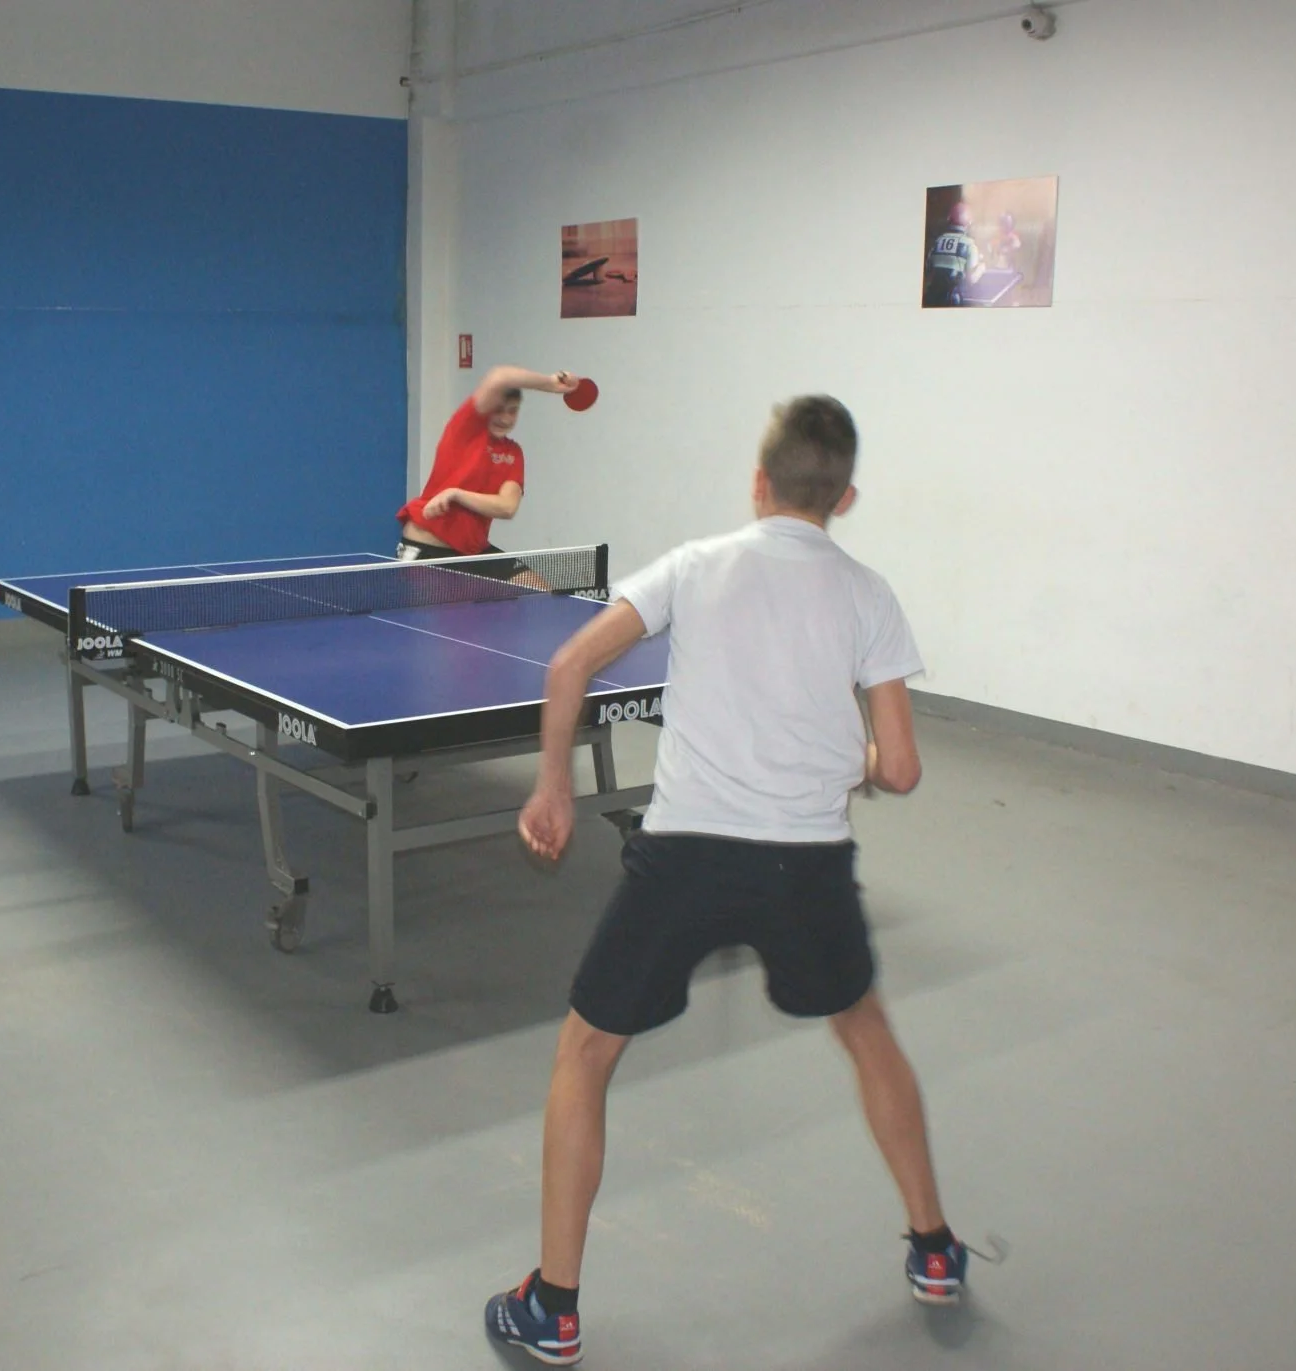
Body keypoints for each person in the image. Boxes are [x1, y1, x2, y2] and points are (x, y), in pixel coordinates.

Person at [484, 396, 971, 1365]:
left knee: (586, 1054)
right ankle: (933, 1250)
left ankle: (554, 1309)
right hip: (806, 863)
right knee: (866, 1032)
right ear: (844, 496)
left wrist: (553, 789)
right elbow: (903, 768)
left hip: (685, 857)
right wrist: (851, 759)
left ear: (758, 483)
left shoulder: (694, 566)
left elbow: (569, 666)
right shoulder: (868, 594)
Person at [397, 364, 580, 584]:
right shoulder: (466, 428)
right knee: (445, 606)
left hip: (473, 552)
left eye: (512, 411)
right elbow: (500, 376)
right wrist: (551, 383)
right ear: (487, 408)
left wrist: (456, 494)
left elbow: (507, 507)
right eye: (498, 410)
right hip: (428, 549)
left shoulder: (512, 452)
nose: (505, 418)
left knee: (537, 588)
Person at [923, 200, 985, 307]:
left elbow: (928, 268)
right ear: (969, 222)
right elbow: (971, 279)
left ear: (949, 219)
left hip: (932, 298)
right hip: (954, 301)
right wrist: (982, 267)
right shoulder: (969, 245)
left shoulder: (938, 241)